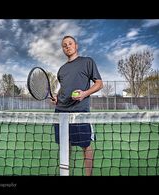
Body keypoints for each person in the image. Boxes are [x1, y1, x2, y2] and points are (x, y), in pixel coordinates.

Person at [51, 35, 103, 176]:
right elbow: (63, 89)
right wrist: (57, 97)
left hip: (79, 112)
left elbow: (99, 83)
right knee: (64, 146)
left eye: (70, 43)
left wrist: (85, 93)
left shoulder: (87, 62)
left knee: (86, 145)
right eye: (64, 45)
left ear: (76, 45)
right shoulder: (61, 70)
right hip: (60, 112)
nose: (67, 46)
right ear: (63, 49)